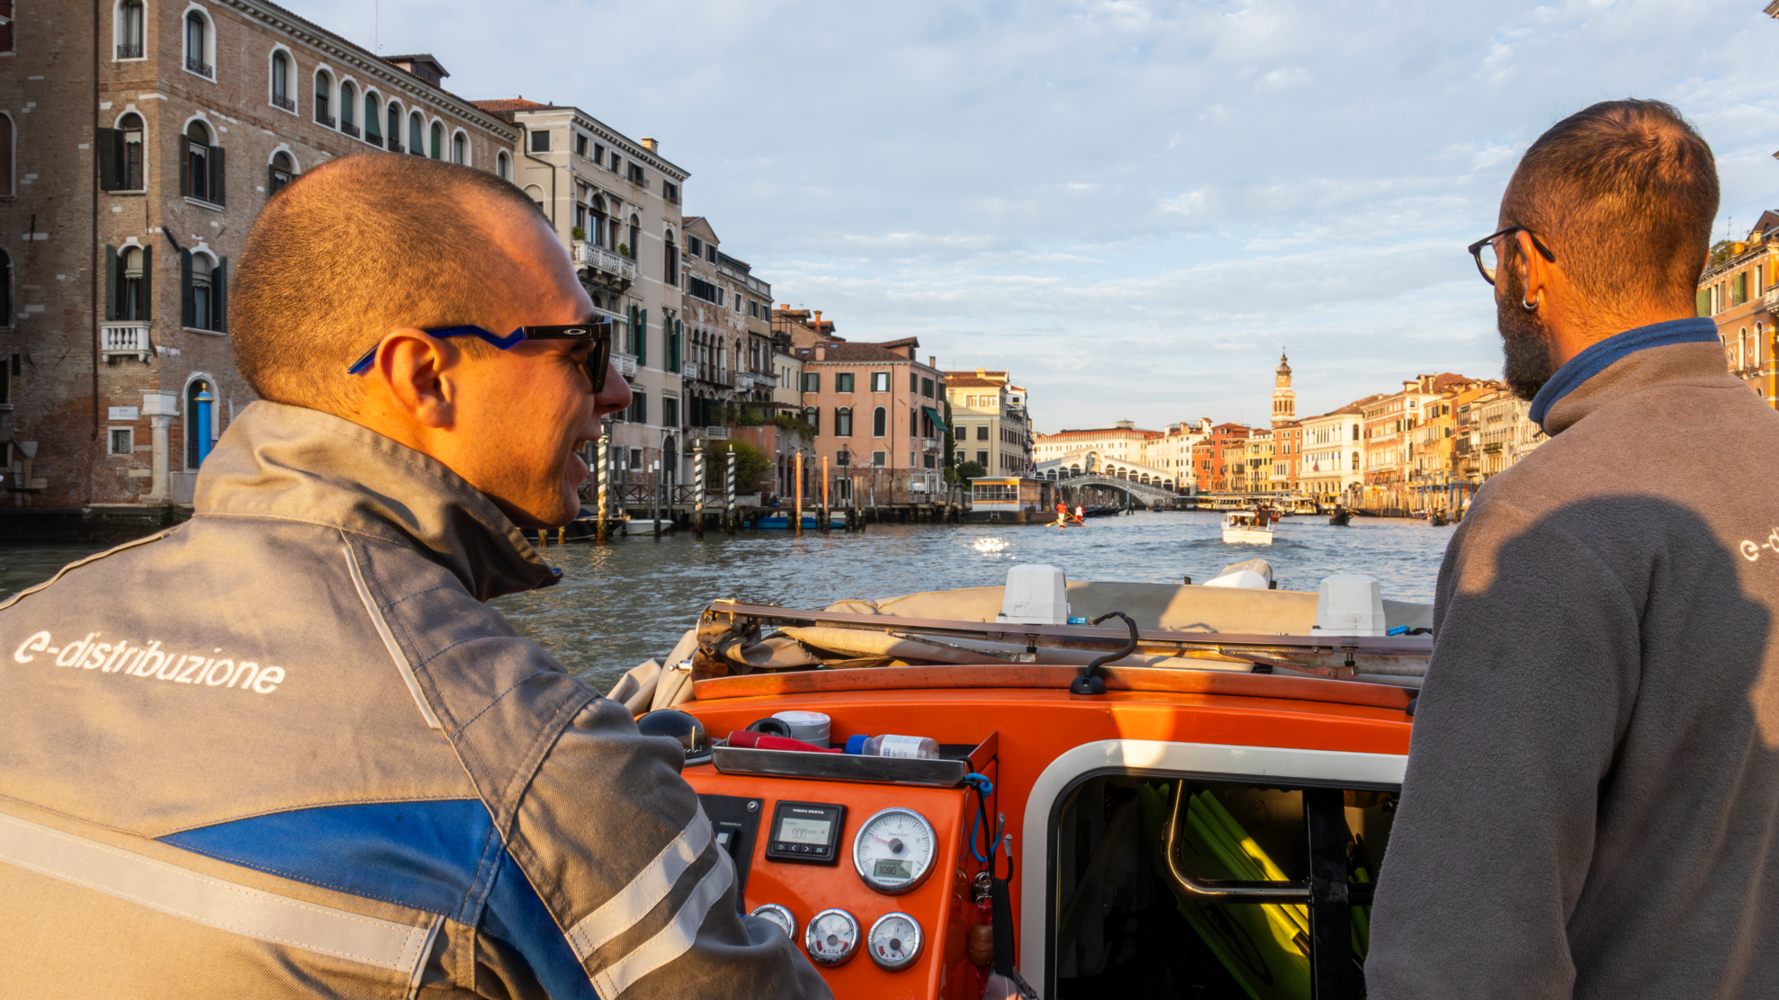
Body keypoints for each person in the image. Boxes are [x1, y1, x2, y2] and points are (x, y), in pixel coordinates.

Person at [0, 156, 829, 998]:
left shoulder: (22, 627)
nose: (614, 390)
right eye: (584, 349)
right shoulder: (548, 767)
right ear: (425, 378)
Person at [1367, 100, 1779, 998]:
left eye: (1494, 260)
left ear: (1525, 264)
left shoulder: (1548, 519)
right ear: (1696, 261)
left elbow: (1459, 957)